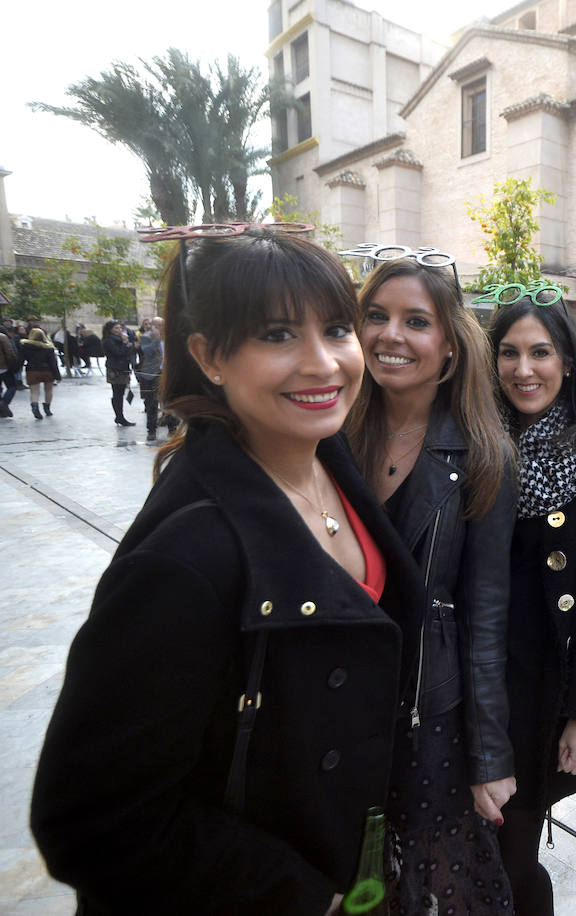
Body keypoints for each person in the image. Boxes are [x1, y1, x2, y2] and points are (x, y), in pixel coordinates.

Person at [31, 228, 425, 913]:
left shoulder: (329, 461)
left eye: (336, 328)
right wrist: (305, 898)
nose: (324, 363)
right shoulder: (186, 557)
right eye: (277, 335)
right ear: (208, 356)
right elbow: (91, 821)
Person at [346, 256, 518, 912]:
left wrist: (490, 756)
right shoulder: (328, 434)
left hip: (428, 712)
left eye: (416, 321)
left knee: (436, 879)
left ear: (449, 341)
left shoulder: (482, 453)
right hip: (337, 700)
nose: (392, 334)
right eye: (376, 316)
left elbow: (487, 614)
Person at [489, 292, 576, 915]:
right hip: (476, 677)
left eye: (540, 352)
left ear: (569, 362)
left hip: (544, 686)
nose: (525, 369)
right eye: (509, 353)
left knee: (516, 847)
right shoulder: (474, 445)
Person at [102, 319, 138, 427]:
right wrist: (125, 343)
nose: (119, 330)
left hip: (123, 368)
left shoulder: (119, 339)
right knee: (117, 393)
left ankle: (119, 416)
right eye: (116, 328)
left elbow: (129, 352)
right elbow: (118, 353)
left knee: (120, 393)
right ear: (110, 330)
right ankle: (119, 416)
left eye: (120, 328)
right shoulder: (109, 340)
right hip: (115, 369)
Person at [19, 327, 61, 420]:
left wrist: (17, 369)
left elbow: (20, 360)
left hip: (32, 370)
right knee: (48, 390)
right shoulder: (49, 347)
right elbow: (53, 363)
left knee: (34, 391)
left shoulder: (25, 346)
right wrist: (57, 375)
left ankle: (35, 406)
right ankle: (47, 408)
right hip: (47, 370)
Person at [136, 316, 166, 442]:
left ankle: (172, 426)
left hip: (166, 373)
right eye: (156, 326)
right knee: (152, 404)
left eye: (161, 326)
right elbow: (147, 352)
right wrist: (156, 338)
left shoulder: (170, 338)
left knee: (169, 402)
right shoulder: (146, 337)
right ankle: (151, 430)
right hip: (152, 374)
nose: (159, 328)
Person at [0, 324, 19, 417]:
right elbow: (9, 352)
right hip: (3, 367)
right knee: (12, 386)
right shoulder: (2, 337)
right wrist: (12, 364)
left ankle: (3, 410)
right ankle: (4, 403)